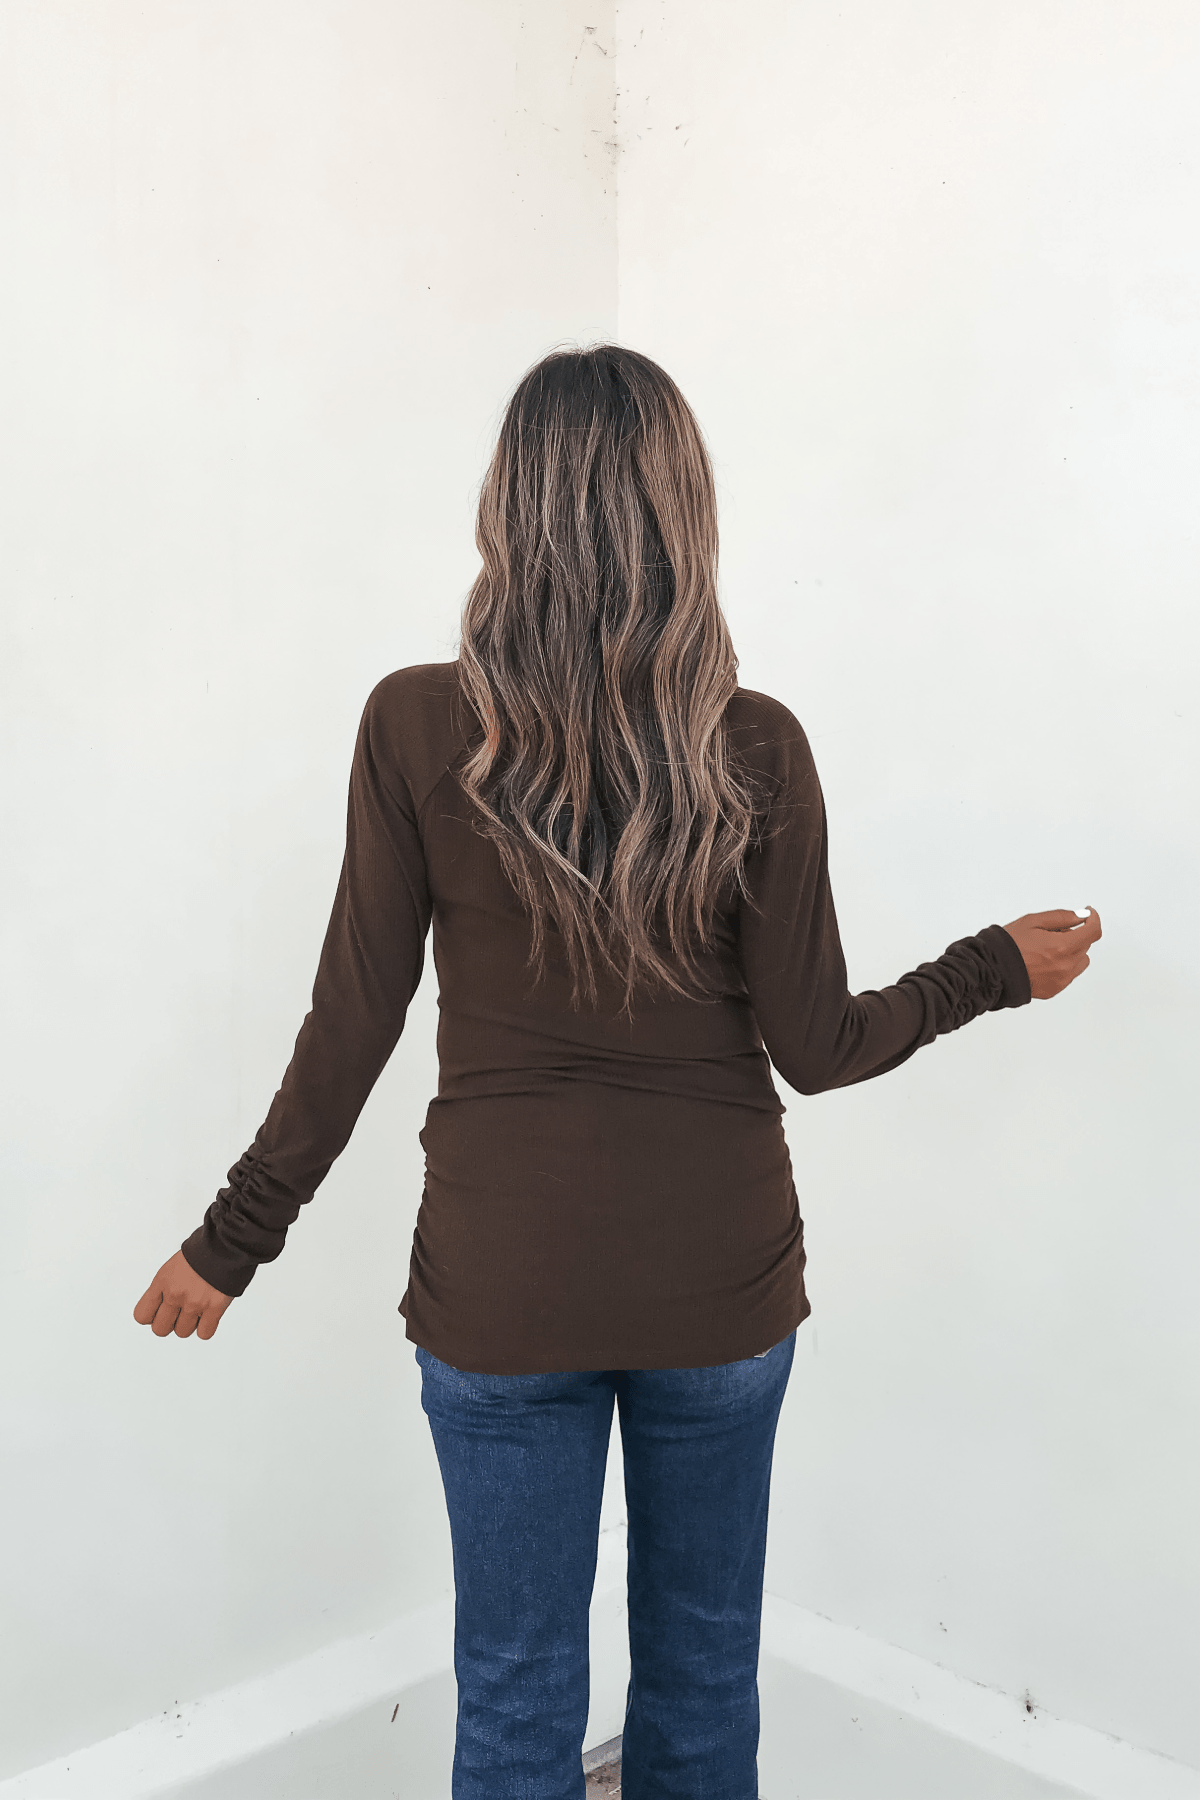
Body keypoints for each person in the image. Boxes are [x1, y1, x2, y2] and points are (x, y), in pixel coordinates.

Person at [134, 345, 1101, 1800]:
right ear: (684, 516)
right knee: (705, 1675)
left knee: (514, 1695)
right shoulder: (755, 745)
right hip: (721, 1290)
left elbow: (353, 1022)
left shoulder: (414, 724)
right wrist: (988, 972)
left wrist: (231, 1242)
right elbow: (819, 1049)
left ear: (508, 509)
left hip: (500, 1293)